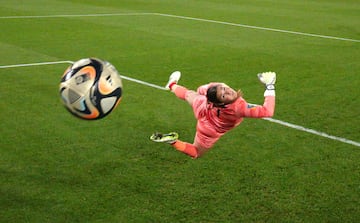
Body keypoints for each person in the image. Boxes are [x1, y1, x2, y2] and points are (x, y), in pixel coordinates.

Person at [150, 71, 276, 158]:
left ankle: (172, 85)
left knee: (190, 94)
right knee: (196, 152)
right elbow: (267, 111)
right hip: (210, 129)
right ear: (220, 102)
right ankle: (173, 141)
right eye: (223, 95)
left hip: (203, 107)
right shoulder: (238, 108)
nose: (228, 92)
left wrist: (207, 95)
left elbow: (201, 90)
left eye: (224, 89)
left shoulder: (213, 89)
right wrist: (270, 86)